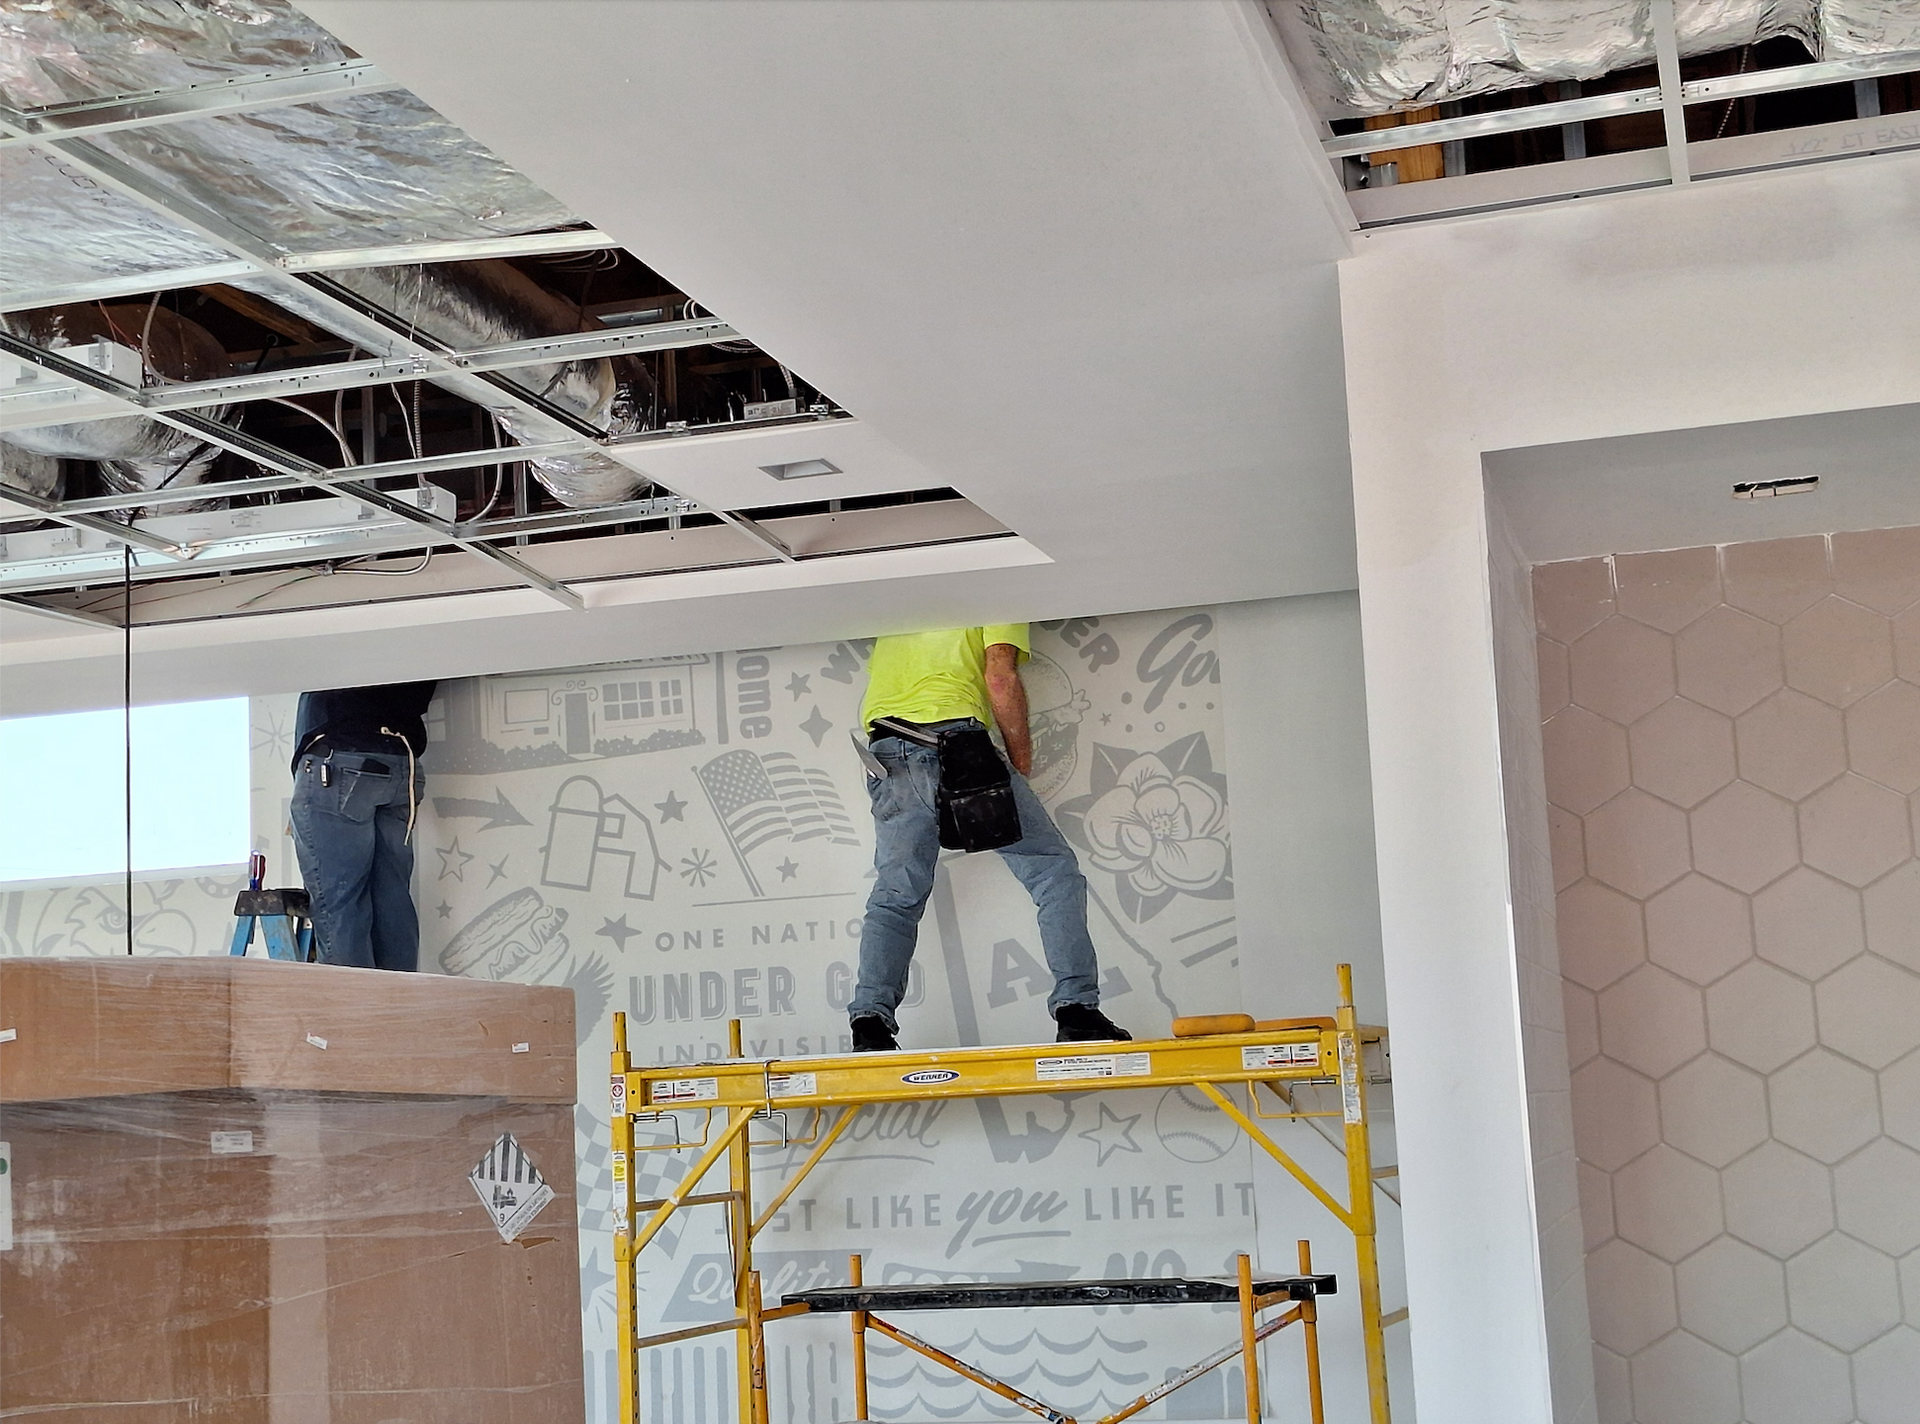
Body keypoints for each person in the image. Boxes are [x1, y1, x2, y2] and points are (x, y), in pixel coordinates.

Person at [849, 626, 1129, 1050]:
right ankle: (1077, 1010)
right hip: (959, 747)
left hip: (888, 755)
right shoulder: (994, 594)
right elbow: (1000, 679)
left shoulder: (896, 615)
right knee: (1053, 873)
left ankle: (870, 1023)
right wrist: (1018, 763)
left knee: (896, 894)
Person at [289, 681, 436, 971]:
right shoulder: (417, 637)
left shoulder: (337, 639)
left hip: (340, 759)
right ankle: (398, 1009)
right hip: (401, 763)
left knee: (340, 904)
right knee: (392, 901)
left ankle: (354, 1012)